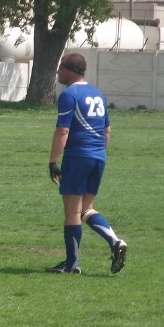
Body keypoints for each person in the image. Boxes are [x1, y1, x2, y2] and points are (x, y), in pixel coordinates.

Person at [46, 52, 127, 274]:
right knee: (85, 209)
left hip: (78, 156)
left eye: (61, 67)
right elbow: (107, 131)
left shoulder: (69, 95)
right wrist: (98, 153)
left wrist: (53, 161)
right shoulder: (98, 94)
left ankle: (72, 265)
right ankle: (115, 242)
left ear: (71, 70)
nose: (58, 71)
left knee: (72, 212)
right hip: (98, 155)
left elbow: (63, 130)